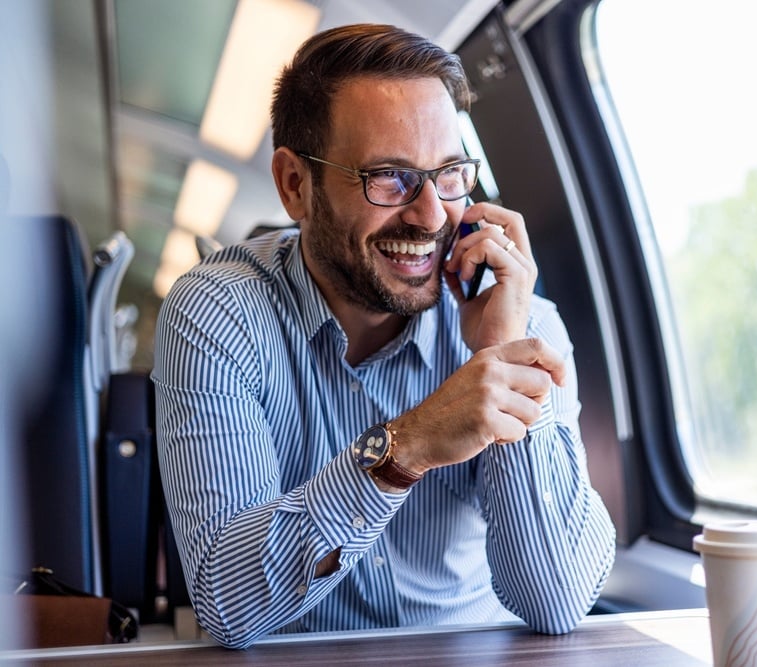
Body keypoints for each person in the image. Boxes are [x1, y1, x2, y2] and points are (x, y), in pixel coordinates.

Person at [153, 23, 616, 650]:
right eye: (389, 177)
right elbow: (229, 607)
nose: (430, 216)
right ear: (295, 186)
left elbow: (556, 600)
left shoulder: (521, 318)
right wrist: (405, 449)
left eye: (448, 173)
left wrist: (498, 353)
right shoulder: (218, 314)